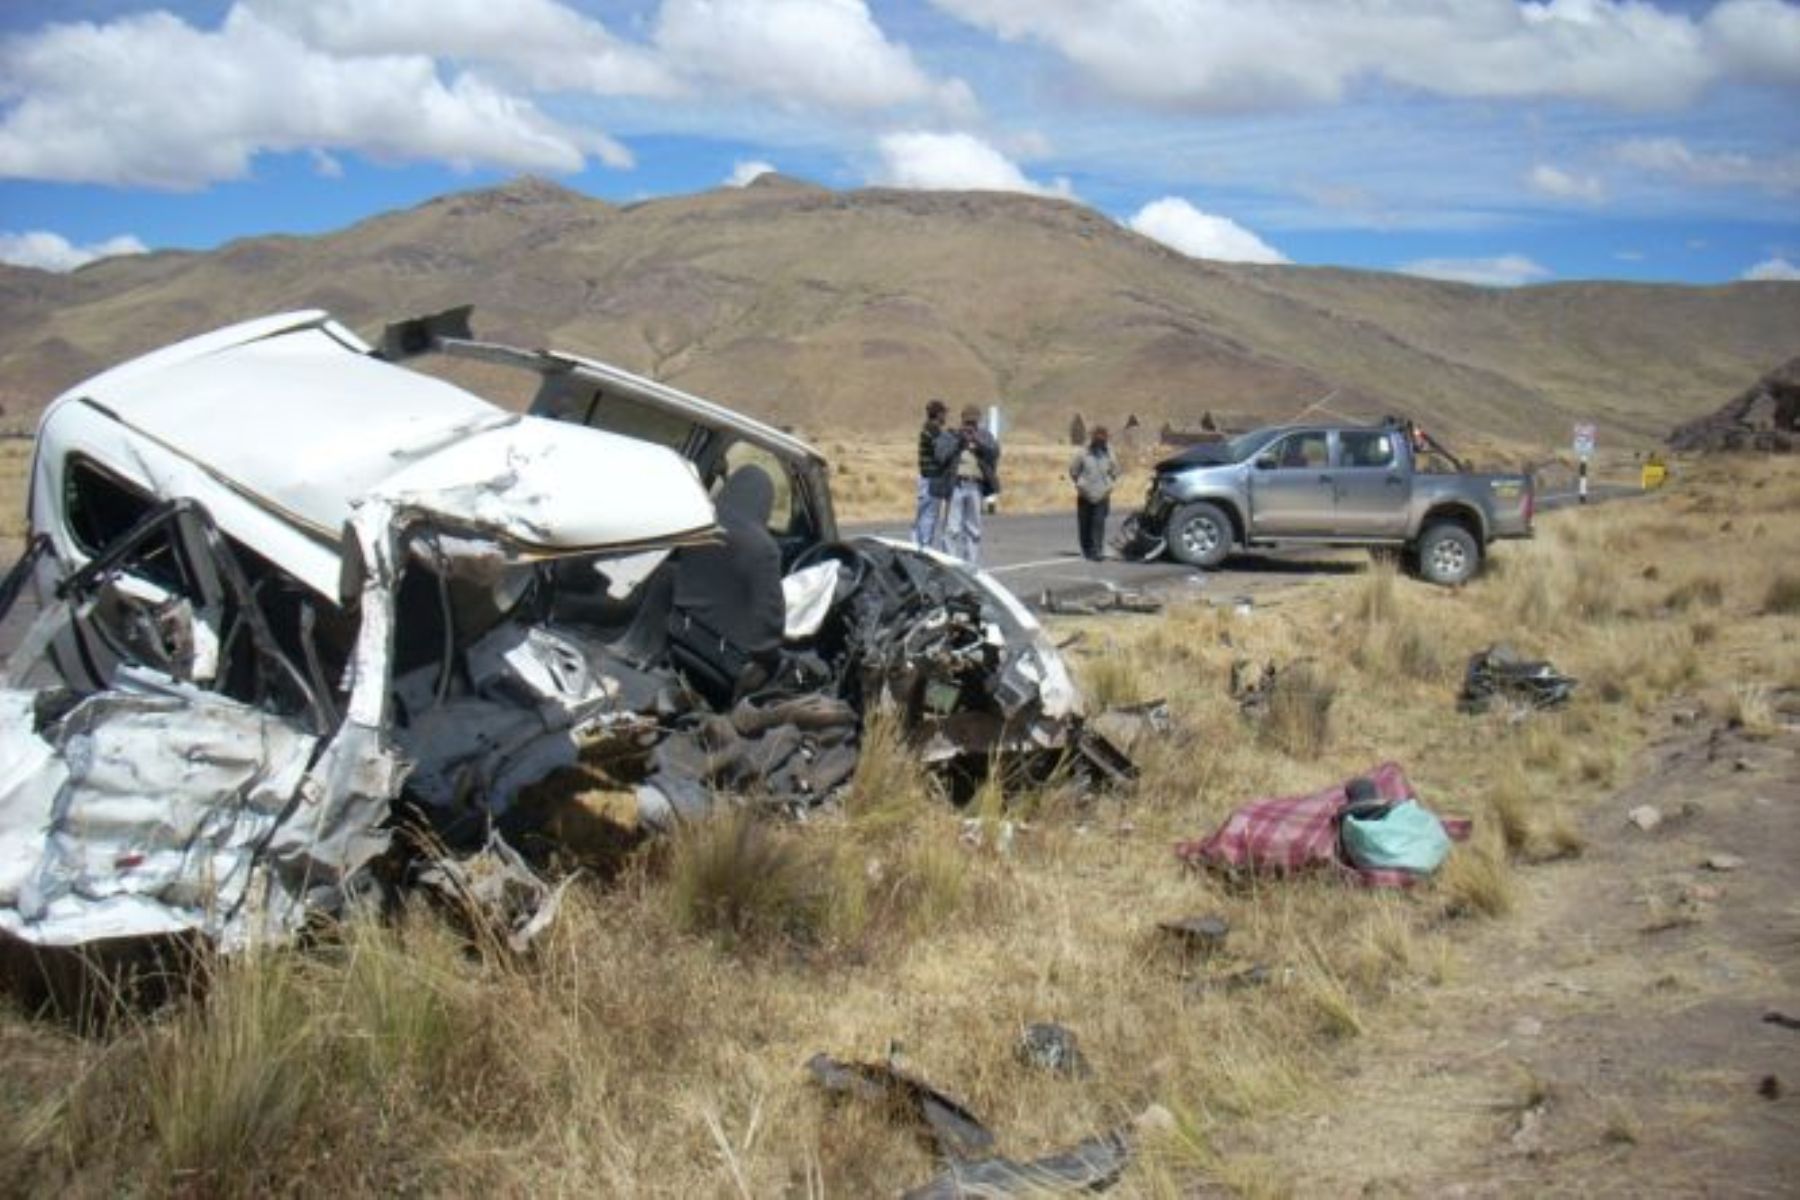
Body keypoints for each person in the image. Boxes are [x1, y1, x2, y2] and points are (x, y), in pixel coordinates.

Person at [668, 465, 785, 707]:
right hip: (723, 663)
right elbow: (768, 631)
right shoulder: (763, 549)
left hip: (679, 637)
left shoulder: (701, 523)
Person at [930, 404, 1000, 564]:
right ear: (962, 421)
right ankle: (951, 565)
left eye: (973, 423)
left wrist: (978, 442)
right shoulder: (951, 435)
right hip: (956, 486)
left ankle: (971, 566)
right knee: (952, 529)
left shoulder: (985, 436)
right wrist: (959, 441)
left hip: (975, 486)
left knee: (974, 530)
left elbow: (995, 453)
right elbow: (940, 455)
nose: (970, 426)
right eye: (968, 422)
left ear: (978, 422)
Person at [1068, 424, 1120, 561]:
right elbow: (1073, 470)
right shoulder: (1082, 453)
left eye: (1103, 439)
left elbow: (1116, 471)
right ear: (1093, 438)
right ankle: (1086, 549)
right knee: (1084, 523)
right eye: (1098, 438)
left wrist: (1109, 485)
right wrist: (1080, 484)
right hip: (1085, 494)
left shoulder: (1110, 453)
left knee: (1098, 523)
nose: (1101, 441)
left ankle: (1097, 550)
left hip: (1102, 495)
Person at [913, 398, 948, 548]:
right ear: (938, 414)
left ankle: (918, 544)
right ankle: (923, 547)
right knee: (929, 515)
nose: (945, 417)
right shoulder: (933, 431)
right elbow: (941, 453)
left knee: (923, 513)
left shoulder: (928, 429)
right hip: (931, 478)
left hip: (926, 478)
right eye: (943, 413)